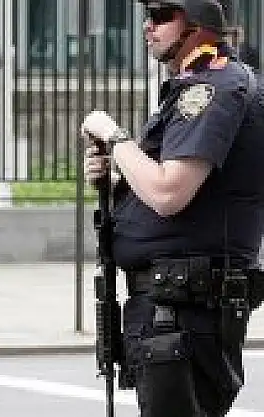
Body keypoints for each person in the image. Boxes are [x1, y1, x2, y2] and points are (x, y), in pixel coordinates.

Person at [82, 0, 264, 416]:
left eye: (163, 16)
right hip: (173, 308)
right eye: (147, 17)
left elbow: (169, 193)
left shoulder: (211, 88)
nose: (148, 26)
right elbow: (179, 191)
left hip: (183, 311)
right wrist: (117, 180)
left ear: (197, 24)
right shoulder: (202, 84)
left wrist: (115, 137)